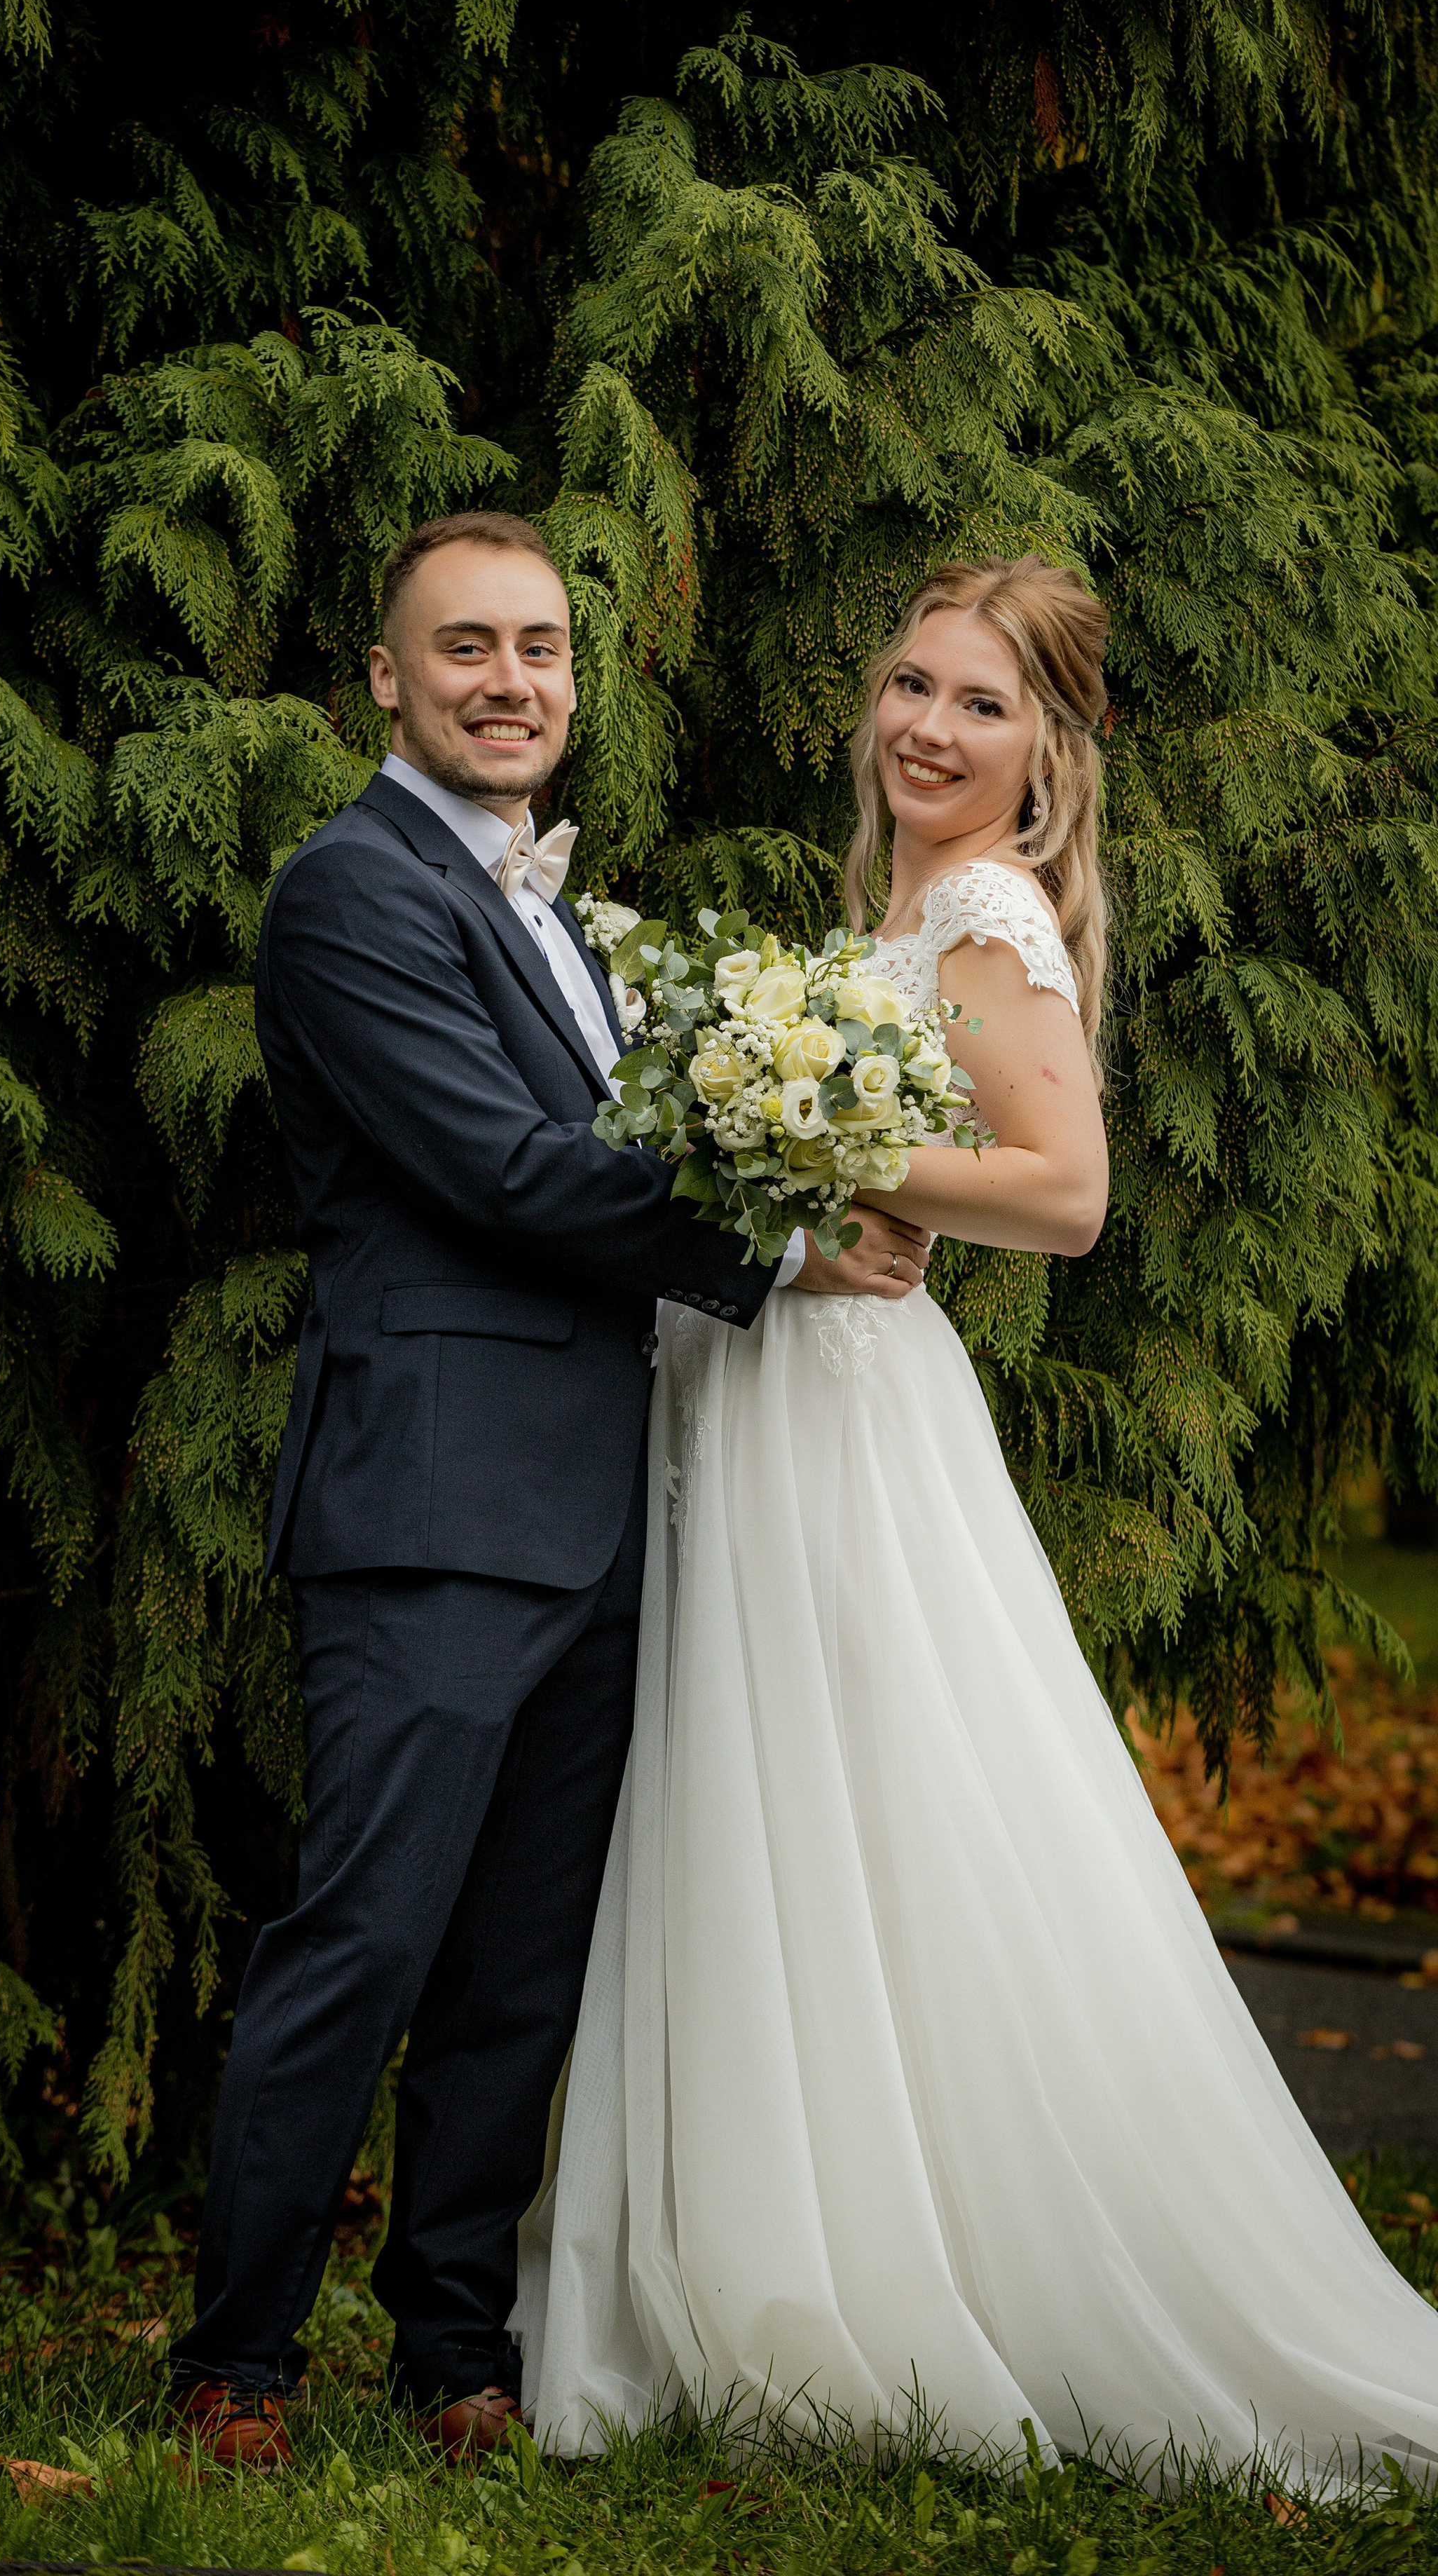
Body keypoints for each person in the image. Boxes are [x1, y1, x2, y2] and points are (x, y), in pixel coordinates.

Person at [515, 557, 1438, 2480]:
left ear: (1048, 753)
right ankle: (795, 2251)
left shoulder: (989, 908)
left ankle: (898, 2277)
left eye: (982, 705)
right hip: (774, 1394)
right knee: (787, 1818)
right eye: (912, 687)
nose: (930, 726)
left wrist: (806, 1135)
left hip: (850, 1424)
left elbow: (1068, 1191)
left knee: (870, 1814)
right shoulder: (906, 904)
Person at [167, 511, 927, 2467]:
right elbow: (501, 1173)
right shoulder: (351, 895)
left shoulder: (559, 912)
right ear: (384, 681)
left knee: (518, 1969)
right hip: (433, 1507)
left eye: (544, 650)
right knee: (366, 1939)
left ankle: (455, 2358)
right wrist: (778, 1231)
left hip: (598, 1510)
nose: (512, 684)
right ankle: (235, 2362)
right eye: (466, 651)